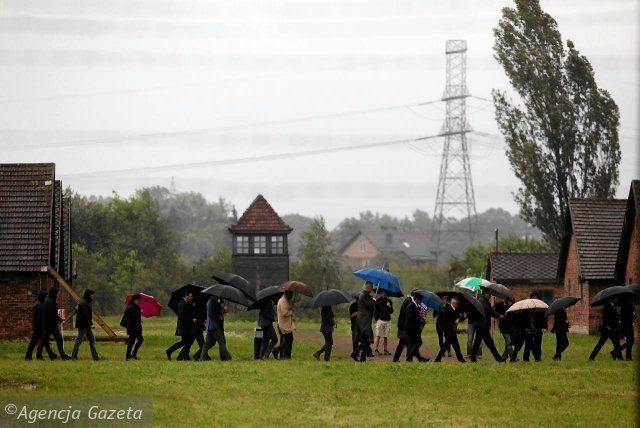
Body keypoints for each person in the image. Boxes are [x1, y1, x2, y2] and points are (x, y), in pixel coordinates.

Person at [470, 288, 505, 362]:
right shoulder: (482, 301)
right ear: (484, 294)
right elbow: (488, 311)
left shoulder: (483, 301)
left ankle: (473, 358)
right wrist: (498, 315)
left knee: (477, 342)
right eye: (489, 294)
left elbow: (488, 310)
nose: (490, 296)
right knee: (490, 343)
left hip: (480, 325)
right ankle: (498, 358)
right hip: (482, 325)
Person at [37, 287, 70, 360]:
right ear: (54, 293)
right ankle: (39, 355)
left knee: (57, 339)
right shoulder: (49, 302)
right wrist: (61, 320)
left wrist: (60, 321)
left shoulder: (51, 301)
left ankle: (62, 355)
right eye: (57, 293)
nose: (58, 295)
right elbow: (53, 314)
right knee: (45, 340)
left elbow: (54, 313)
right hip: (49, 325)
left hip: (51, 324)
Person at [166, 292, 197, 361]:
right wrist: (192, 320)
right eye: (190, 296)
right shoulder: (182, 304)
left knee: (187, 342)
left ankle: (185, 356)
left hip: (188, 327)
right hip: (184, 327)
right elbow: (182, 316)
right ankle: (170, 351)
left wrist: (193, 306)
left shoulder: (187, 303)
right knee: (186, 342)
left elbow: (189, 312)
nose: (192, 297)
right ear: (186, 296)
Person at [25, 291, 56, 360]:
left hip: (38, 326)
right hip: (39, 327)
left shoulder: (39, 304)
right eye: (45, 297)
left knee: (43, 341)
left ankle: (49, 355)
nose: (46, 298)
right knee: (35, 342)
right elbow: (39, 317)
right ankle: (30, 356)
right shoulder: (40, 305)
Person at [199, 296, 232, 361]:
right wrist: (219, 318)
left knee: (208, 344)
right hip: (213, 326)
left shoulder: (214, 302)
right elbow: (211, 314)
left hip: (211, 326)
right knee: (221, 342)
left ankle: (201, 358)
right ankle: (227, 357)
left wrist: (224, 310)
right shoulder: (210, 302)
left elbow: (218, 311)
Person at [434, 297, 466, 362]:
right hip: (448, 331)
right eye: (457, 304)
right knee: (446, 346)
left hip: (452, 331)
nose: (457, 305)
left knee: (456, 346)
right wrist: (454, 322)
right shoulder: (448, 310)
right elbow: (445, 321)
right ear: (454, 303)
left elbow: (458, 317)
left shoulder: (455, 309)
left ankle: (461, 359)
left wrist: (462, 318)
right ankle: (437, 359)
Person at [71, 289, 100, 361]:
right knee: (78, 341)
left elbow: (88, 316)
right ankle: (74, 357)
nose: (93, 296)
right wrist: (90, 324)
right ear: (88, 295)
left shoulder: (87, 302)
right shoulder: (84, 303)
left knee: (92, 341)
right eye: (92, 294)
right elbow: (85, 315)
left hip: (86, 325)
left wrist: (89, 324)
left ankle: (95, 357)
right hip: (83, 326)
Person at [393, 289, 417, 362]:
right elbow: (406, 314)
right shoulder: (408, 301)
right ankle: (399, 359)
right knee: (403, 343)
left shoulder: (409, 300)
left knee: (408, 342)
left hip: (405, 326)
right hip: (403, 326)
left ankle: (408, 358)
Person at [524, 291, 547, 361]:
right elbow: (525, 318)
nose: (534, 298)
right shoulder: (527, 308)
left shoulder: (541, 308)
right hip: (529, 328)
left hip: (538, 328)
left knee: (538, 344)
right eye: (532, 297)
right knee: (528, 344)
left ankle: (538, 358)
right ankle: (526, 358)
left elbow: (544, 319)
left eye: (535, 297)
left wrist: (544, 327)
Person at [405, 291, 428, 362]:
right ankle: (409, 358)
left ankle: (419, 359)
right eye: (420, 300)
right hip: (411, 328)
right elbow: (410, 317)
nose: (421, 302)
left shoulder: (416, 306)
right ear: (417, 299)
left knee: (413, 344)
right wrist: (419, 316)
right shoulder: (411, 306)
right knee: (418, 343)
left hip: (415, 328)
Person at [356, 282, 375, 362]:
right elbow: (371, 305)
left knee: (366, 340)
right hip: (364, 321)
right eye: (371, 289)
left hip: (364, 320)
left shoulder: (365, 295)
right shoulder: (364, 296)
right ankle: (357, 354)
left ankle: (360, 357)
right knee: (368, 339)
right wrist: (374, 299)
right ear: (368, 288)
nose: (371, 290)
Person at [121, 294, 143, 360]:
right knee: (136, 340)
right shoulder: (132, 307)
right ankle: (131, 355)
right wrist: (140, 312)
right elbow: (134, 317)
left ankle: (130, 355)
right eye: (138, 300)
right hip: (133, 327)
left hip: (133, 327)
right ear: (135, 300)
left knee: (132, 341)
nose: (139, 302)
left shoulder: (132, 306)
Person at [373, 290, 393, 356]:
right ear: (381, 293)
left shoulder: (389, 301)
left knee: (385, 336)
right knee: (378, 335)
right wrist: (377, 319)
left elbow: (391, 311)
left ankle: (385, 350)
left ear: (386, 293)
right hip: (380, 320)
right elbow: (375, 311)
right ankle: (376, 349)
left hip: (387, 320)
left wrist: (390, 306)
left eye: (385, 293)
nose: (384, 294)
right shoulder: (378, 301)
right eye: (383, 293)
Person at [277, 291, 295, 359]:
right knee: (289, 340)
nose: (291, 296)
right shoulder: (284, 301)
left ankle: (283, 356)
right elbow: (284, 313)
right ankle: (283, 354)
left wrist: (290, 308)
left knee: (285, 340)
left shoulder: (283, 300)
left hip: (284, 324)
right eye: (291, 294)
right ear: (287, 294)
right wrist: (291, 311)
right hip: (285, 325)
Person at [466, 291, 482, 358]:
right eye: (476, 293)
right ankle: (469, 353)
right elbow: (466, 312)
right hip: (471, 323)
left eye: (479, 293)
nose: (477, 294)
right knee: (470, 338)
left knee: (478, 338)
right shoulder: (470, 303)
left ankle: (479, 353)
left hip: (478, 323)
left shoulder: (481, 303)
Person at [349, 295, 360, 361]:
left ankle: (356, 352)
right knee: (355, 340)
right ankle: (355, 353)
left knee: (361, 339)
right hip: (354, 324)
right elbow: (351, 315)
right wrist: (357, 313)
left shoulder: (363, 306)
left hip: (361, 325)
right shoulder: (353, 306)